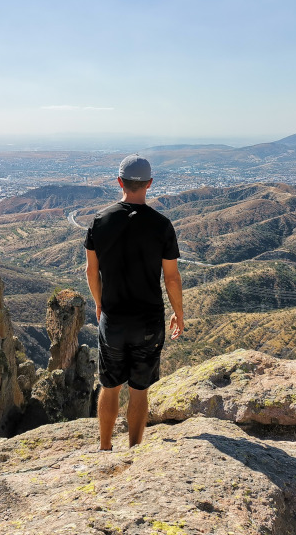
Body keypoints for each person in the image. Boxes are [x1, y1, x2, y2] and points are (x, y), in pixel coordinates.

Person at [84, 154, 184, 450]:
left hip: (112, 319)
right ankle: (134, 452)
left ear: (119, 182)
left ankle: (104, 448)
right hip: (148, 322)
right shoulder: (162, 225)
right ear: (149, 184)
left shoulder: (100, 221)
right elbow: (172, 277)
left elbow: (91, 270)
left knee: (109, 387)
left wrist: (100, 304)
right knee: (139, 391)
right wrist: (178, 313)